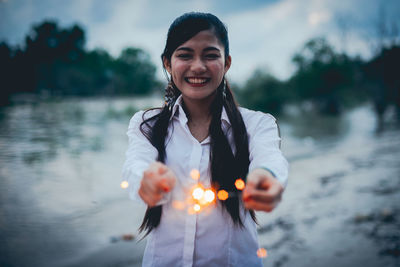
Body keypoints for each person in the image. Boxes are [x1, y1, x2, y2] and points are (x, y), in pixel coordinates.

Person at [122, 12, 288, 267]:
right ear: (167, 63)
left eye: (210, 55)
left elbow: (270, 158)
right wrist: (147, 176)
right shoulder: (147, 125)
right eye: (185, 55)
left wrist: (266, 176)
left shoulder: (257, 124)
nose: (198, 66)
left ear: (227, 62)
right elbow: (136, 164)